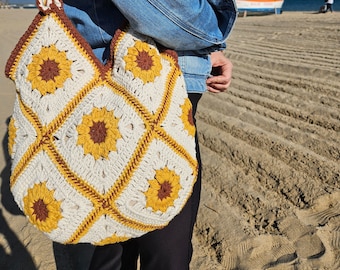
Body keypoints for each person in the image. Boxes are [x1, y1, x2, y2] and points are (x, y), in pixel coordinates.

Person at [62, 0, 237, 269]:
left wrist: (205, 51)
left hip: (120, 76)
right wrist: (210, 35)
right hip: (152, 85)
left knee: (115, 241)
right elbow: (164, 10)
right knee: (166, 251)